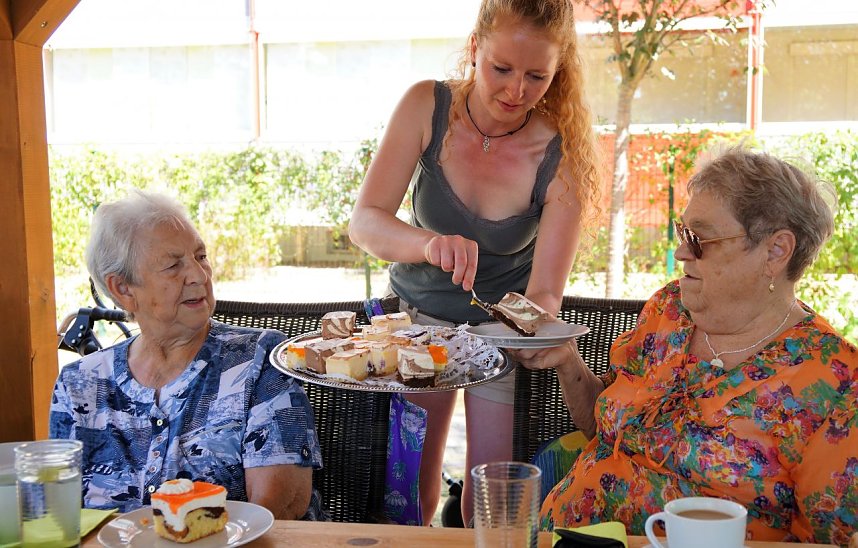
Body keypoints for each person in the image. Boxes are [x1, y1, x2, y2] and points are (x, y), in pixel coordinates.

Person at [510, 147, 857, 545]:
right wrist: (568, 360)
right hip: (562, 538)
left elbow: (826, 541)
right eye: (683, 233)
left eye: (700, 238)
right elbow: (601, 428)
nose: (680, 252)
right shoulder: (668, 310)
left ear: (775, 251)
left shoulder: (835, 383)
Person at [348, 0, 599, 524]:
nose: (516, 91)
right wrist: (428, 245)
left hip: (498, 335)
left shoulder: (562, 153)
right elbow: (365, 222)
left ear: (558, 71)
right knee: (412, 495)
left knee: (491, 502)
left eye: (537, 77)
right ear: (474, 49)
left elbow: (546, 292)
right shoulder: (426, 105)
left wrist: (526, 325)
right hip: (415, 323)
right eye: (501, 68)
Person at [49, 190, 326, 520]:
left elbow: (276, 511)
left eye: (201, 256)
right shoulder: (78, 384)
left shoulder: (260, 360)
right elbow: (60, 517)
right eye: (172, 265)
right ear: (123, 289)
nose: (199, 275)